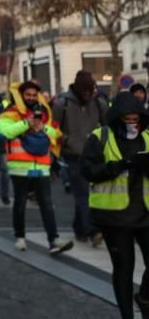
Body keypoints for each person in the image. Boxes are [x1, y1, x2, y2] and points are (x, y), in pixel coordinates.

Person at [81, 91, 149, 318]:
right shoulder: (99, 137)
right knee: (124, 268)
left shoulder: (148, 136)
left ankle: (145, 297)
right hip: (113, 217)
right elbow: (88, 171)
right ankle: (127, 315)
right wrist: (120, 165)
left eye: (136, 119)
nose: (132, 123)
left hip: (145, 213)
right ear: (117, 118)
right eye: (127, 119)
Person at [0, 81, 73, 255]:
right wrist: (27, 123)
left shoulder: (44, 113)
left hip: (42, 166)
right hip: (19, 166)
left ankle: (54, 240)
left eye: (34, 95)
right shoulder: (10, 112)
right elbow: (4, 131)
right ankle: (20, 237)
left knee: (47, 203)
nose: (31, 98)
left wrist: (43, 127)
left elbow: (57, 134)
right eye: (28, 95)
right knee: (20, 203)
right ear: (21, 95)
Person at [54, 70, 109, 246]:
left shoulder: (100, 104)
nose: (87, 94)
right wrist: (67, 140)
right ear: (77, 88)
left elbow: (108, 127)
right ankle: (92, 230)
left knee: (87, 193)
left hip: (94, 156)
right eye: (83, 90)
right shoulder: (62, 104)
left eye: (90, 90)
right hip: (72, 155)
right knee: (83, 193)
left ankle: (79, 227)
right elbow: (53, 130)